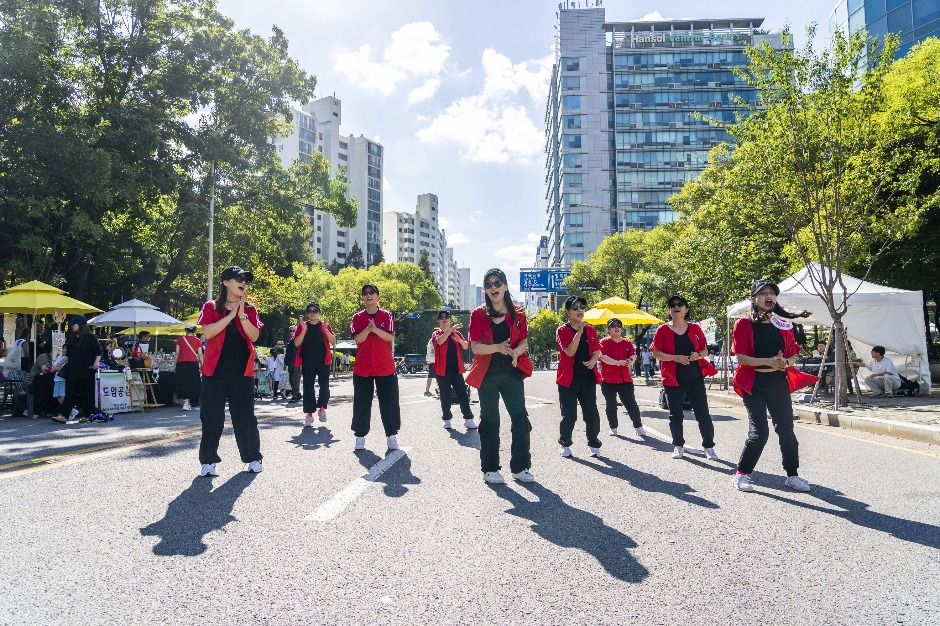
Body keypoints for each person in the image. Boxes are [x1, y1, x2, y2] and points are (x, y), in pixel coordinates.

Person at [732, 280, 816, 493]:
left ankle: (792, 475)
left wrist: (785, 363)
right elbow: (741, 357)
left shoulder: (783, 324)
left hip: (778, 382)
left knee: (786, 430)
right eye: (764, 293)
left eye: (772, 293)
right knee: (759, 432)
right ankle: (742, 474)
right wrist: (768, 361)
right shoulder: (743, 324)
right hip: (755, 383)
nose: (769, 296)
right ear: (754, 299)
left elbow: (792, 354)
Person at [466, 268, 535, 484]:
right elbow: (476, 348)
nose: (493, 288)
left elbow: (524, 341)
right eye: (489, 284)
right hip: (487, 374)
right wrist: (497, 347)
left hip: (511, 373)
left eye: (497, 283)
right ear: (485, 289)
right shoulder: (478, 314)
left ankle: (520, 467)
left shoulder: (519, 313)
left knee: (520, 419)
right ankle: (490, 469)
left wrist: (515, 352)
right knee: (490, 420)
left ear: (505, 286)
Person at [196, 265, 264, 477]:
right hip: (214, 372)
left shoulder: (250, 309)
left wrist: (242, 315)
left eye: (245, 279)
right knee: (211, 418)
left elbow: (254, 337)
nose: (243, 282)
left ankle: (253, 458)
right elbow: (207, 333)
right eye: (238, 278)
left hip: (241, 373)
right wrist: (231, 315)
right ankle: (208, 462)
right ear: (225, 282)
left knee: (245, 417)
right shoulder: (210, 306)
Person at [651, 295, 720, 460]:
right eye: (672, 305)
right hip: (672, 379)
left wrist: (698, 355)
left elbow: (705, 350)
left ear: (686, 309)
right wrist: (675, 357)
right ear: (669, 310)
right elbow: (655, 353)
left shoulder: (695, 328)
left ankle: (709, 447)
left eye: (680, 304)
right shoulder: (662, 330)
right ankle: (678, 445)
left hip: (694, 377)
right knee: (676, 415)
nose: (676, 307)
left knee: (703, 413)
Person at [350, 283, 401, 451]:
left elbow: (389, 337)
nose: (368, 295)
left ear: (378, 296)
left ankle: (391, 435)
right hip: (363, 368)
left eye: (372, 292)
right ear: (362, 298)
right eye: (365, 293)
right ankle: (360, 436)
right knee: (362, 402)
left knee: (389, 402)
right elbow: (358, 339)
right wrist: (368, 328)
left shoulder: (386, 316)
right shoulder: (357, 317)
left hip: (385, 366)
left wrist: (375, 329)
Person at [555, 295, 603, 458]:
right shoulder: (562, 330)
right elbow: (569, 352)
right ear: (568, 312)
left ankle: (593, 443)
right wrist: (579, 331)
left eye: (582, 307)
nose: (579, 310)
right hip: (568, 378)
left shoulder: (591, 329)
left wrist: (593, 360)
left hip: (587, 377)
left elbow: (597, 350)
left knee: (591, 412)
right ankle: (565, 444)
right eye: (575, 308)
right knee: (569, 414)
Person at [599, 318, 646, 438]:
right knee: (611, 404)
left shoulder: (627, 342)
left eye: (619, 325)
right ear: (608, 329)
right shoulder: (603, 342)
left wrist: (630, 360)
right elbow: (603, 357)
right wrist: (618, 362)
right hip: (608, 380)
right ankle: (613, 427)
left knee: (631, 404)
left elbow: (633, 355)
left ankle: (638, 426)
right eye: (613, 326)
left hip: (625, 380)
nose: (617, 327)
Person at [430, 310, 476, 431]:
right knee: (445, 396)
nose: (444, 319)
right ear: (438, 321)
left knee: (463, 395)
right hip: (442, 371)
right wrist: (450, 331)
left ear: (450, 319)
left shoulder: (457, 334)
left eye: (447, 317)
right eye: (441, 317)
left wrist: (459, 340)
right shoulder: (436, 333)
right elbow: (440, 341)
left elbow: (466, 346)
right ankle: (447, 420)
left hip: (457, 370)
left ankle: (468, 419)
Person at [293, 301, 337, 426]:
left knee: (324, 385)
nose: (312, 313)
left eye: (315, 311)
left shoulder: (324, 325)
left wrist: (325, 330)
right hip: (307, 361)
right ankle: (309, 414)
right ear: (307, 313)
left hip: (323, 361)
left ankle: (322, 408)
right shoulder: (302, 325)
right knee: (308, 388)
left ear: (319, 313)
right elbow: (296, 343)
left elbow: (333, 341)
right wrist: (303, 330)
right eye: (310, 311)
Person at [53, 316, 101, 424]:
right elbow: (68, 356)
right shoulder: (73, 338)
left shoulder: (91, 337)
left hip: (86, 370)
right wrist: (58, 365)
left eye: (73, 324)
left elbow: (98, 352)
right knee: (69, 393)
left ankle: (89, 415)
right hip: (73, 370)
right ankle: (63, 416)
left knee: (87, 394)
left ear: (80, 324)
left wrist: (96, 363)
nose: (71, 326)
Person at [175, 324, 203, 411]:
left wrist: (174, 364)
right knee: (192, 382)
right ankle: (187, 402)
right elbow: (200, 354)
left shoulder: (180, 340)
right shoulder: (198, 340)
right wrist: (203, 364)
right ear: (194, 331)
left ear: (186, 330)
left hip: (181, 363)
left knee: (183, 382)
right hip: (193, 363)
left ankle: (186, 402)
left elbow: (177, 353)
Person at [27, 339, 55, 417]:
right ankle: (40, 410)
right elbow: (45, 369)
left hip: (45, 380)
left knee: (52, 387)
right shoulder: (43, 356)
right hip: (32, 381)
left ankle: (48, 409)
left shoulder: (54, 359)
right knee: (46, 387)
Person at [285, 325, 301, 404]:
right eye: (291, 330)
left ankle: (295, 396)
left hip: (297, 363)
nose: (292, 332)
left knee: (295, 380)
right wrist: (286, 363)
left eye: (294, 330)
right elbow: (287, 353)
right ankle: (297, 394)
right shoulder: (289, 341)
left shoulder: (299, 340)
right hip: (290, 363)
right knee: (291, 380)